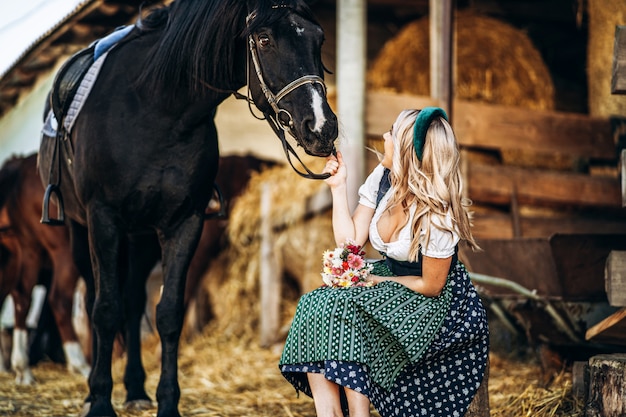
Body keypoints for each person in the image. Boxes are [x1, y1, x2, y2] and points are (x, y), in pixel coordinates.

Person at [279, 107, 490, 417]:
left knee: (345, 309)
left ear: (406, 151)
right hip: (390, 279)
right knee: (313, 304)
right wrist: (338, 188)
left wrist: (375, 281)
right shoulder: (383, 179)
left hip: (437, 303)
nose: (384, 137)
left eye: (392, 133)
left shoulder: (439, 216)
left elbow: (431, 285)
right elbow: (350, 245)